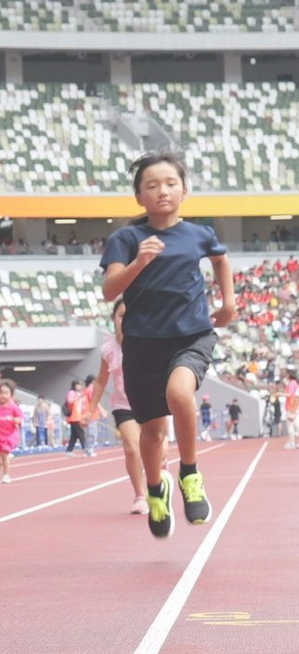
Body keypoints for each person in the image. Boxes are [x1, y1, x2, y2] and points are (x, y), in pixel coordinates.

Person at [100, 149, 234, 538]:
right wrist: (138, 263)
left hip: (191, 335)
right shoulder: (126, 239)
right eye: (152, 185)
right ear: (138, 196)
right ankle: (157, 489)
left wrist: (228, 302)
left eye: (171, 183)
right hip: (142, 344)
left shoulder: (199, 234)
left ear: (184, 190)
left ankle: (190, 474)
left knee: (180, 393)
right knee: (154, 432)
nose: (163, 191)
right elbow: (109, 290)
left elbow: (221, 260)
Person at [88, 300, 147, 514]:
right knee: (132, 447)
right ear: (114, 319)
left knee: (156, 451)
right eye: (121, 316)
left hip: (150, 403)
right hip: (123, 405)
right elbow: (101, 381)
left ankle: (158, 479)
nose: (125, 320)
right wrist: (90, 409)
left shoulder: (148, 344)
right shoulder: (108, 349)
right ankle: (140, 495)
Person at [63, 379, 89, 454]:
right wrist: (77, 397)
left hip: (77, 416)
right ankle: (85, 449)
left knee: (74, 435)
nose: (80, 386)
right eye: (79, 385)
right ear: (75, 385)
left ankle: (69, 450)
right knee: (81, 433)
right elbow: (69, 401)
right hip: (74, 417)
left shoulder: (78, 393)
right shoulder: (72, 392)